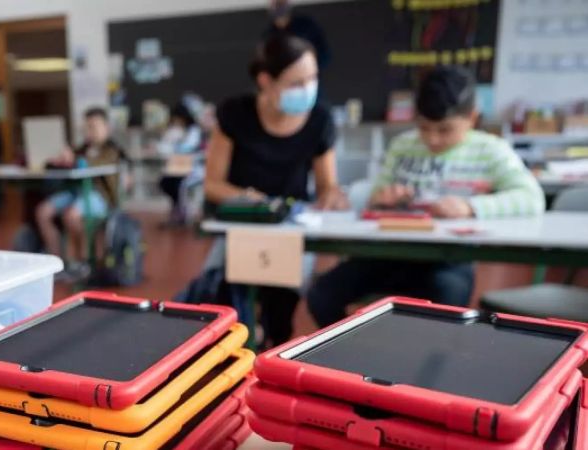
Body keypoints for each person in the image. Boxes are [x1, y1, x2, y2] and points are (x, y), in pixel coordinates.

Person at [306, 66, 545, 328]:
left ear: (472, 117)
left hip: (448, 260)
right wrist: (383, 197)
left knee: (445, 309)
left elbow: (531, 198)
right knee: (322, 295)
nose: (432, 138)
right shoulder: (403, 145)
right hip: (387, 254)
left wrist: (470, 206)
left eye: (444, 130)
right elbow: (376, 194)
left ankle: (424, 365)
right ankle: (346, 357)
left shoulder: (490, 150)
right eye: (424, 127)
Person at [199, 34, 347, 347]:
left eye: (313, 78)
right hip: (241, 223)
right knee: (220, 296)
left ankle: (270, 342)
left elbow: (326, 187)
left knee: (281, 306)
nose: (308, 88)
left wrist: (332, 195)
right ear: (266, 80)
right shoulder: (234, 114)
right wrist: (250, 200)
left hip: (291, 228)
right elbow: (213, 185)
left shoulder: (320, 120)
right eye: (297, 82)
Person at [35, 107, 129, 280]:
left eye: (94, 126)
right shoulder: (82, 148)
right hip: (76, 192)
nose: (90, 131)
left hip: (101, 196)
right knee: (43, 212)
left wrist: (75, 160)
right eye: (87, 127)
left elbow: (93, 164)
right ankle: (56, 262)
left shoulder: (113, 150)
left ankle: (82, 261)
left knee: (71, 215)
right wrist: (61, 159)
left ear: (106, 127)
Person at [158, 103, 204, 225]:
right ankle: (176, 210)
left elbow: (188, 148)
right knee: (165, 182)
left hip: (192, 168)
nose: (175, 121)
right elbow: (166, 146)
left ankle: (181, 214)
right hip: (178, 167)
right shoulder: (175, 130)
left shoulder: (194, 130)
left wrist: (176, 144)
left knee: (178, 185)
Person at [263, 0, 331, 69]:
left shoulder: (307, 25)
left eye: (280, 3)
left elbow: (324, 54)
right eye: (274, 3)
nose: (277, 5)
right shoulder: (268, 35)